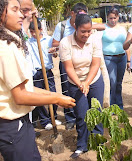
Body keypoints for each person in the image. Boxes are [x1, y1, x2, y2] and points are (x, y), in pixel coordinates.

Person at [0, 0, 76, 160]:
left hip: (19, 124)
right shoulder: (5, 48)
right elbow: (21, 96)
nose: (21, 14)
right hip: (12, 125)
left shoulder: (10, 42)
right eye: (15, 10)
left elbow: (27, 88)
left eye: (22, 10)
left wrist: (56, 97)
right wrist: (56, 98)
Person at [59, 14, 104, 159]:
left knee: (96, 111)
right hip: (75, 82)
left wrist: (87, 82)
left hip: (94, 79)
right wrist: (80, 84)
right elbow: (69, 68)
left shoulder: (95, 39)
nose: (86, 34)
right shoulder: (65, 43)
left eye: (89, 31)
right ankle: (82, 145)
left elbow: (96, 64)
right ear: (75, 28)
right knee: (81, 114)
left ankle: (98, 141)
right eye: (83, 31)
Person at [52, 3, 88, 130]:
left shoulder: (85, 25)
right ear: (72, 13)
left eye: (84, 15)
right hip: (67, 60)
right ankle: (70, 118)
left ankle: (83, 115)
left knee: (83, 87)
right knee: (67, 88)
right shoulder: (61, 26)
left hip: (82, 61)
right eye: (79, 15)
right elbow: (55, 42)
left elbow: (101, 27)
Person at [27, 20, 62, 130]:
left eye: (35, 31)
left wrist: (54, 52)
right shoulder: (29, 43)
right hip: (36, 72)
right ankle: (44, 121)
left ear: (41, 30)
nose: (33, 34)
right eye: (31, 31)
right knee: (39, 97)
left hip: (47, 71)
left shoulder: (49, 40)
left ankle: (53, 116)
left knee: (52, 93)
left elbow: (55, 53)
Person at [101, 8, 130, 109]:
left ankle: (119, 105)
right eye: (110, 18)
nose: (113, 20)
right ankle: (111, 105)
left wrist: (128, 60)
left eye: (115, 18)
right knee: (112, 82)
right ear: (107, 18)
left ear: (118, 17)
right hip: (109, 58)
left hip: (122, 57)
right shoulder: (103, 28)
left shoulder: (122, 29)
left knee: (119, 83)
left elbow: (126, 44)